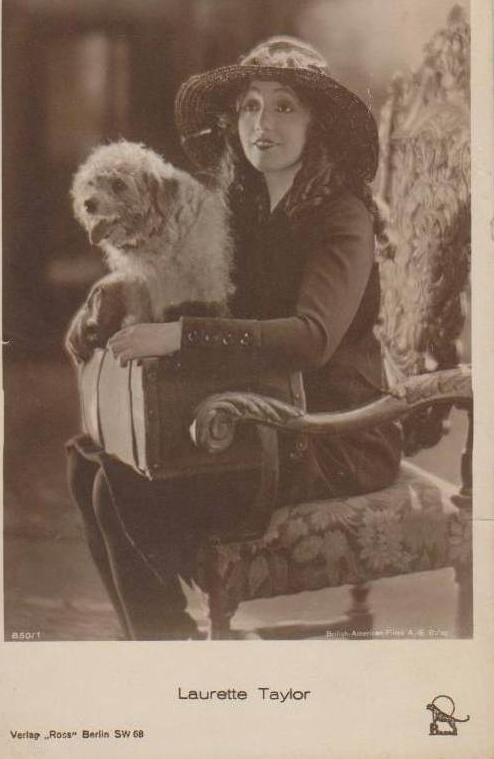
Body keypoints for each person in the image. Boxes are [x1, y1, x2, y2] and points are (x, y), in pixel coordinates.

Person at [66, 36, 402, 640]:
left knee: (120, 487)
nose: (262, 124)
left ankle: (167, 649)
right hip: (255, 406)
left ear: (317, 125)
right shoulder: (243, 201)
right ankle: (163, 646)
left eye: (284, 106)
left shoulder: (342, 216)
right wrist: (117, 290)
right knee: (86, 463)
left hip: (331, 434)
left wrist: (179, 336)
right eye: (250, 105)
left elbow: (311, 340)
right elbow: (196, 281)